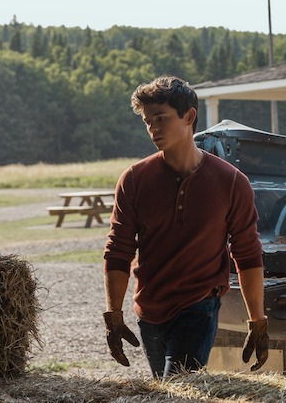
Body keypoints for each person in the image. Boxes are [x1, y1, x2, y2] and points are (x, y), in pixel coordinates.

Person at [103, 76, 269, 376]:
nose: (153, 128)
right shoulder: (134, 180)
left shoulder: (231, 182)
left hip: (198, 306)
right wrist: (113, 315)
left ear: (189, 116)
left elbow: (247, 254)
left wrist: (258, 322)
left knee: (177, 387)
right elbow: (118, 250)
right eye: (148, 121)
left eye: (161, 118)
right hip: (149, 309)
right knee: (167, 391)